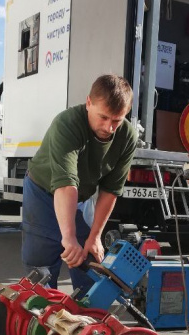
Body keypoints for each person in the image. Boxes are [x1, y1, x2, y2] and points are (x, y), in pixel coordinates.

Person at [21, 74, 137, 294]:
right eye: (103, 117)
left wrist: (95, 237)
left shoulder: (127, 136)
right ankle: (43, 314)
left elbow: (110, 191)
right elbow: (65, 185)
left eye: (116, 120)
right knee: (41, 265)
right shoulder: (67, 123)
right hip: (43, 191)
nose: (109, 127)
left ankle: (84, 317)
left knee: (89, 261)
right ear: (88, 103)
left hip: (80, 197)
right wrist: (68, 236)